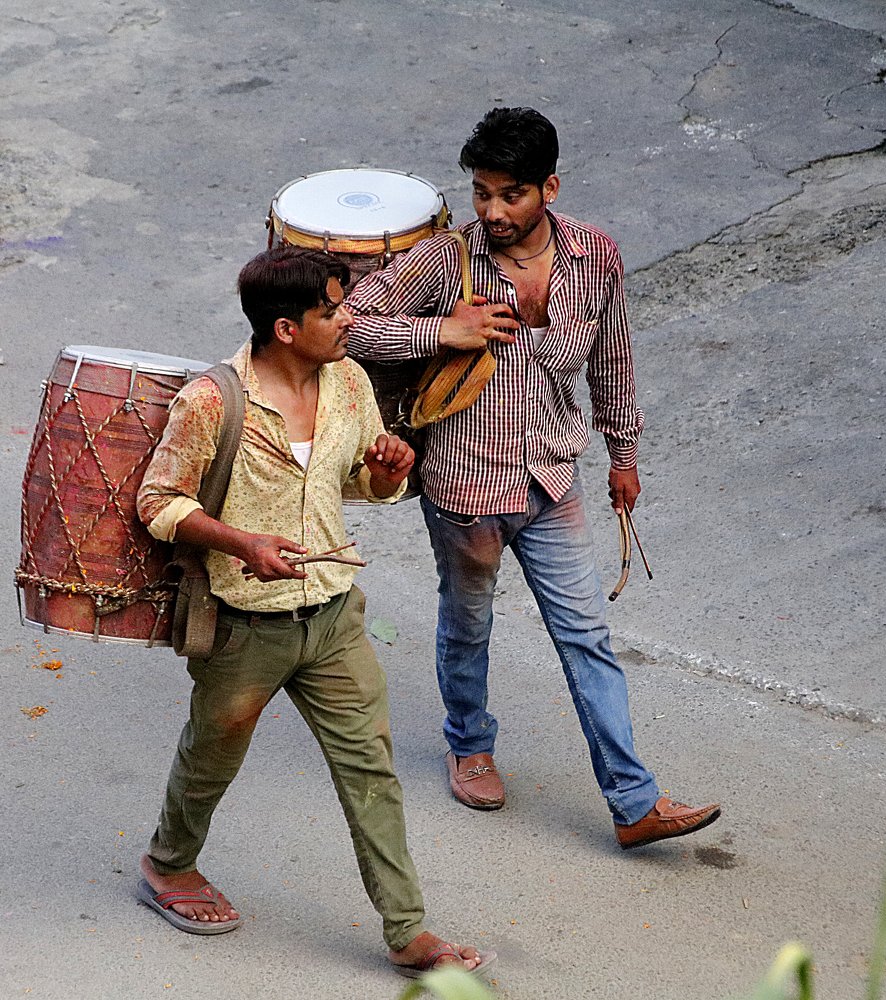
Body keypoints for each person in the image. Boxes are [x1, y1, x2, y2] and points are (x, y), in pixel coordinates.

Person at [346, 107, 720, 850]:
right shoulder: (445, 258)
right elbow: (350, 325)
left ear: (548, 188)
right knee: (468, 624)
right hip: (463, 484)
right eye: (481, 193)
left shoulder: (595, 257)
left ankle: (633, 802)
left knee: (586, 635)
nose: (492, 211)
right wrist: (442, 330)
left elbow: (613, 362)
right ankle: (469, 745)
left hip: (553, 478)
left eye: (510, 194)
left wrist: (623, 457)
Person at [135, 246, 494, 978]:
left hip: (332, 617)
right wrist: (241, 543)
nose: (349, 319)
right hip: (244, 625)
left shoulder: (349, 381)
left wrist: (387, 473)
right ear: (286, 329)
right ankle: (168, 865)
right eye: (331, 311)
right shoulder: (212, 401)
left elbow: (356, 483)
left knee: (370, 770)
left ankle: (407, 931)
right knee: (211, 758)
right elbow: (157, 502)